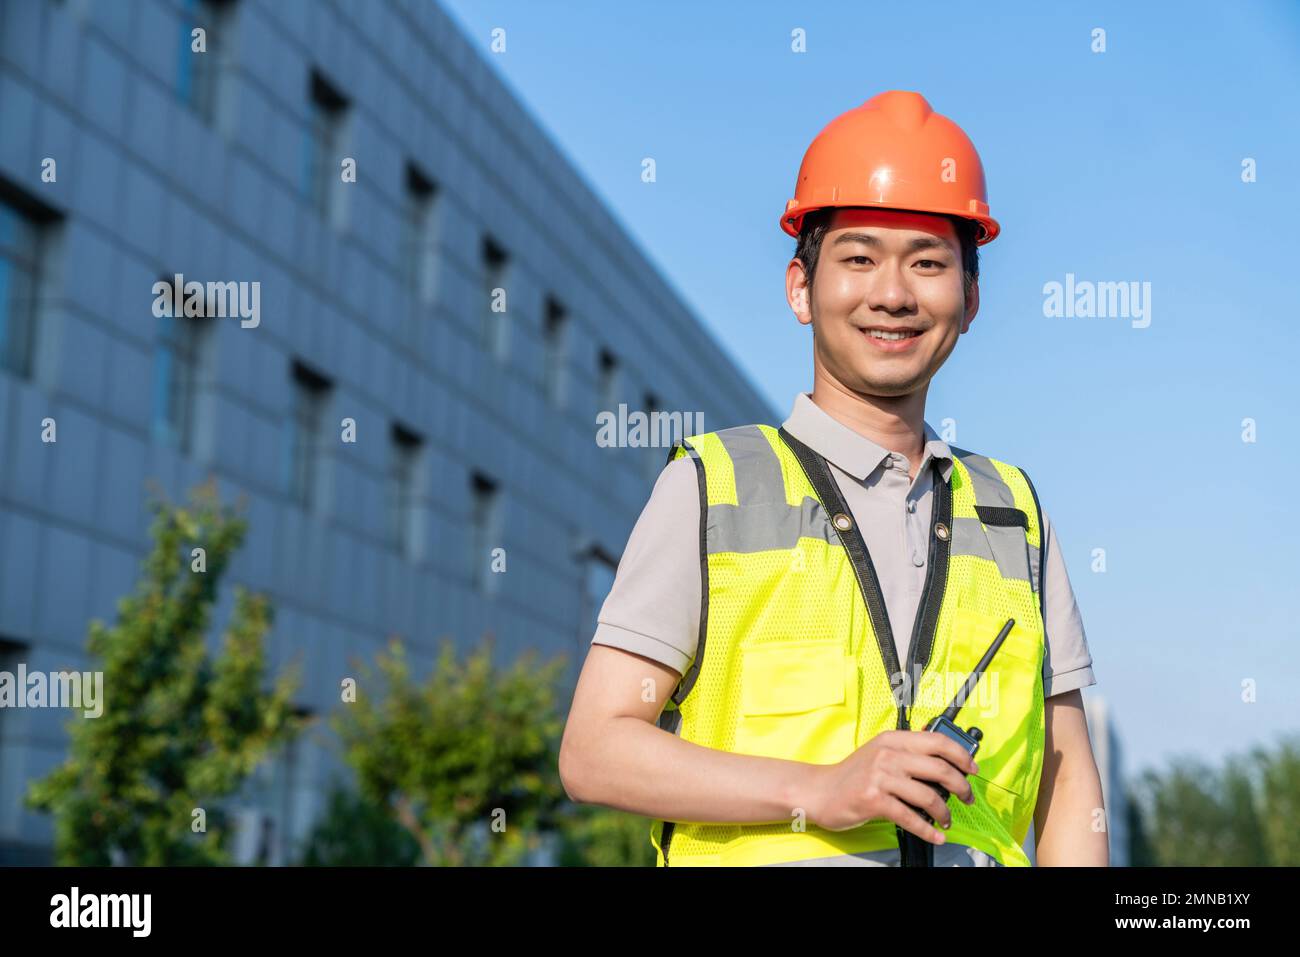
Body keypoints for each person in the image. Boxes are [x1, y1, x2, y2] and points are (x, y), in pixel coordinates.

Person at [559, 90, 1108, 867]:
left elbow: (1066, 776)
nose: (892, 292)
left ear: (971, 297)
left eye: (928, 262)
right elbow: (594, 750)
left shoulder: (1012, 512)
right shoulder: (714, 488)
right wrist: (820, 789)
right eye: (858, 258)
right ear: (800, 289)